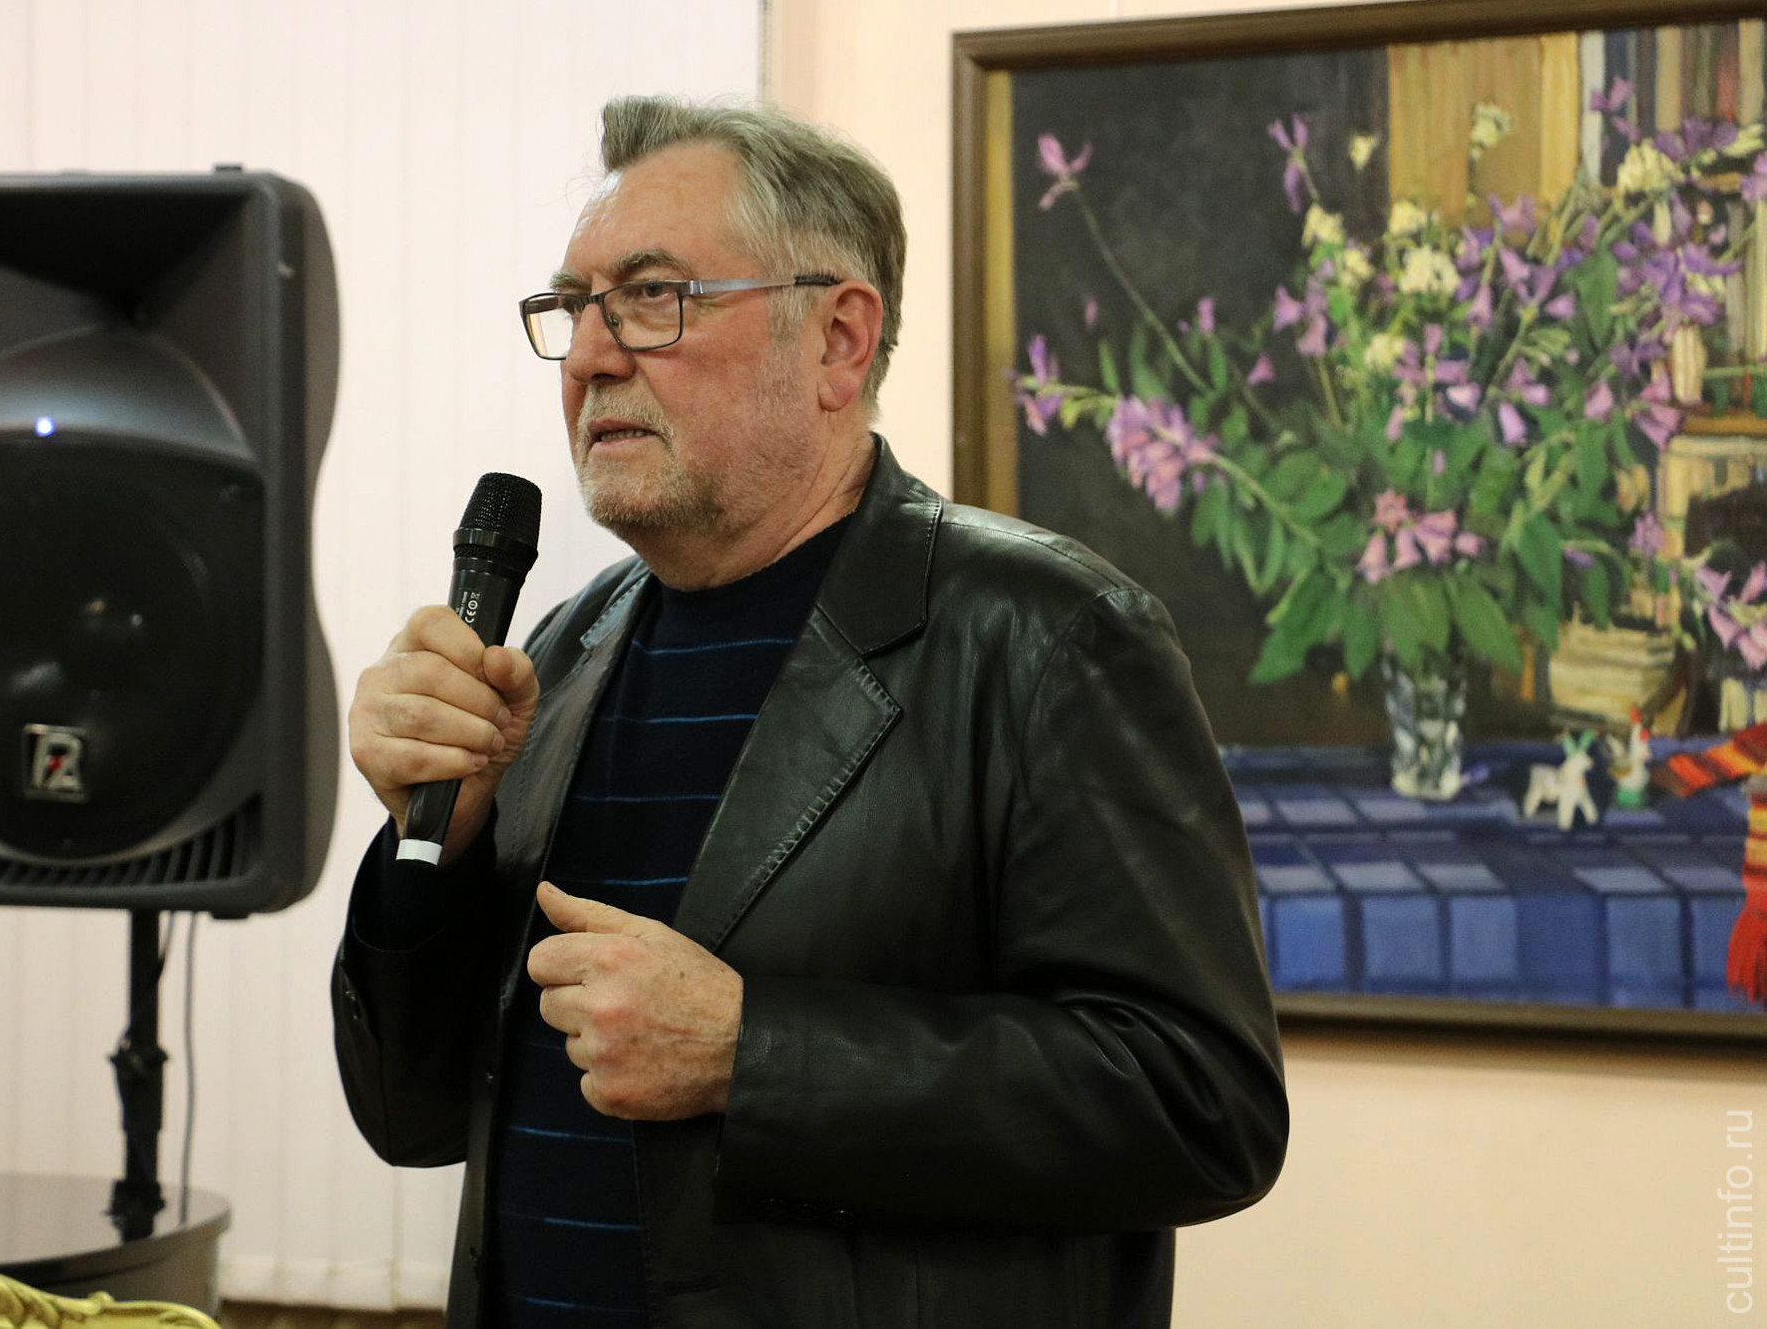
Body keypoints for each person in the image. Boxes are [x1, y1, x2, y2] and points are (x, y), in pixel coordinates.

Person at [332, 95, 1288, 1329]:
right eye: (571, 307)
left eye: (653, 296)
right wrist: (436, 853)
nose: (587, 358)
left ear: (838, 339)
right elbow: (409, 1116)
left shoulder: (1049, 638)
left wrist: (753, 1055)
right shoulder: (557, 653)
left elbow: (1199, 1104)